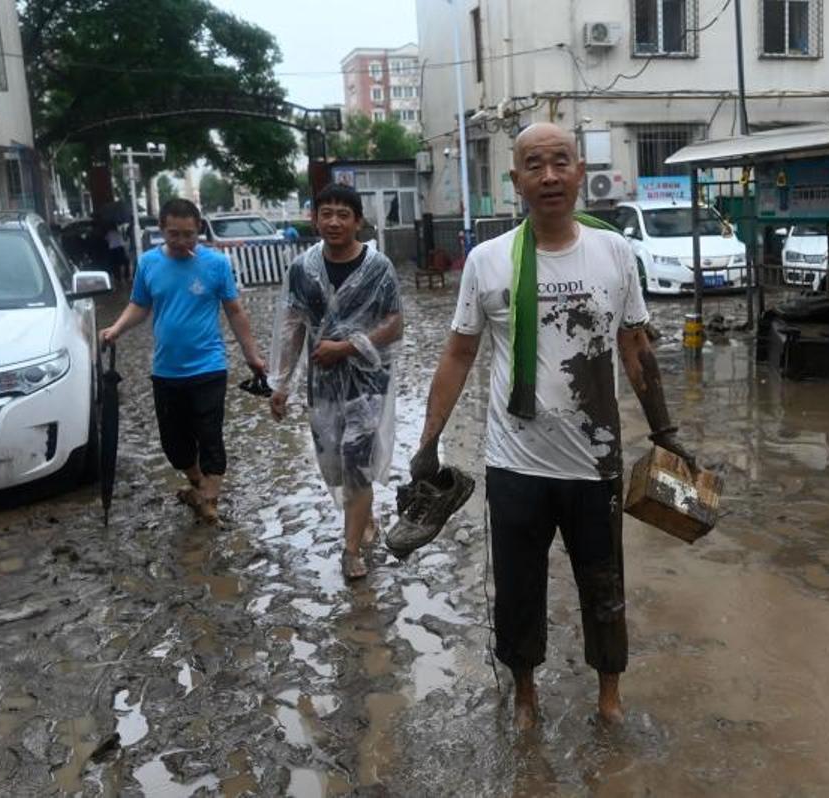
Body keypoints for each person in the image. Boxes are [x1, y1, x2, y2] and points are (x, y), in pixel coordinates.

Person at [409, 123, 696, 731]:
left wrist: (665, 430)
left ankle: (609, 695)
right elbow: (459, 354)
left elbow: (634, 344)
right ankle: (524, 696)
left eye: (560, 162)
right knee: (517, 591)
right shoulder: (487, 263)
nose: (549, 177)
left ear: (579, 171)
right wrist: (428, 442)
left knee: (605, 585)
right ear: (516, 181)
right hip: (516, 464)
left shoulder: (615, 252)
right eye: (533, 166)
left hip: (596, 463)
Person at [100, 198, 265, 525]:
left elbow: (235, 310)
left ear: (199, 231)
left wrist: (252, 356)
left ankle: (210, 499)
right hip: (166, 370)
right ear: (161, 229)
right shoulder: (148, 263)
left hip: (209, 366)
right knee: (174, 445)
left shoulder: (216, 264)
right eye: (173, 234)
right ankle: (199, 487)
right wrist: (117, 328)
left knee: (209, 432)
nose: (181, 242)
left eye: (188, 235)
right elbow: (140, 305)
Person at [269, 183, 402, 581]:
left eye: (343, 214)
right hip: (321, 384)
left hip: (368, 384)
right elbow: (292, 327)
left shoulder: (378, 269)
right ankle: (363, 517)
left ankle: (350, 551)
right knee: (335, 466)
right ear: (314, 219)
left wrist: (346, 347)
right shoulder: (302, 270)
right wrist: (280, 383)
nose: (334, 221)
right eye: (325, 213)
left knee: (357, 462)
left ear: (358, 221)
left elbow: (395, 325)